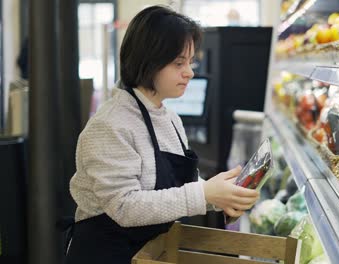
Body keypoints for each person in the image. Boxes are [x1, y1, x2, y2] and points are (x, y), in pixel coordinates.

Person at [65, 6, 259, 264]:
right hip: (108, 254)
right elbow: (124, 206)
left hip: (152, 251)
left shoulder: (169, 119)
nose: (189, 72)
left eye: (191, 61)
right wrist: (204, 194)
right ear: (148, 61)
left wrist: (221, 195)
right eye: (179, 63)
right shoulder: (110, 126)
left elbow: (177, 190)